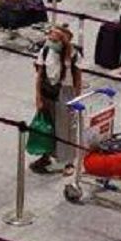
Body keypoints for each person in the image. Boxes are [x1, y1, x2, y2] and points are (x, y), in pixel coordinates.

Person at [30, 25, 84, 175]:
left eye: (54, 39)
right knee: (47, 125)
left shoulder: (73, 55)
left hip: (65, 93)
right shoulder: (45, 50)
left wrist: (77, 98)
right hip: (47, 91)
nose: (50, 40)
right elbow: (40, 75)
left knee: (66, 129)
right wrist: (38, 97)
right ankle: (46, 155)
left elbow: (78, 78)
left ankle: (69, 162)